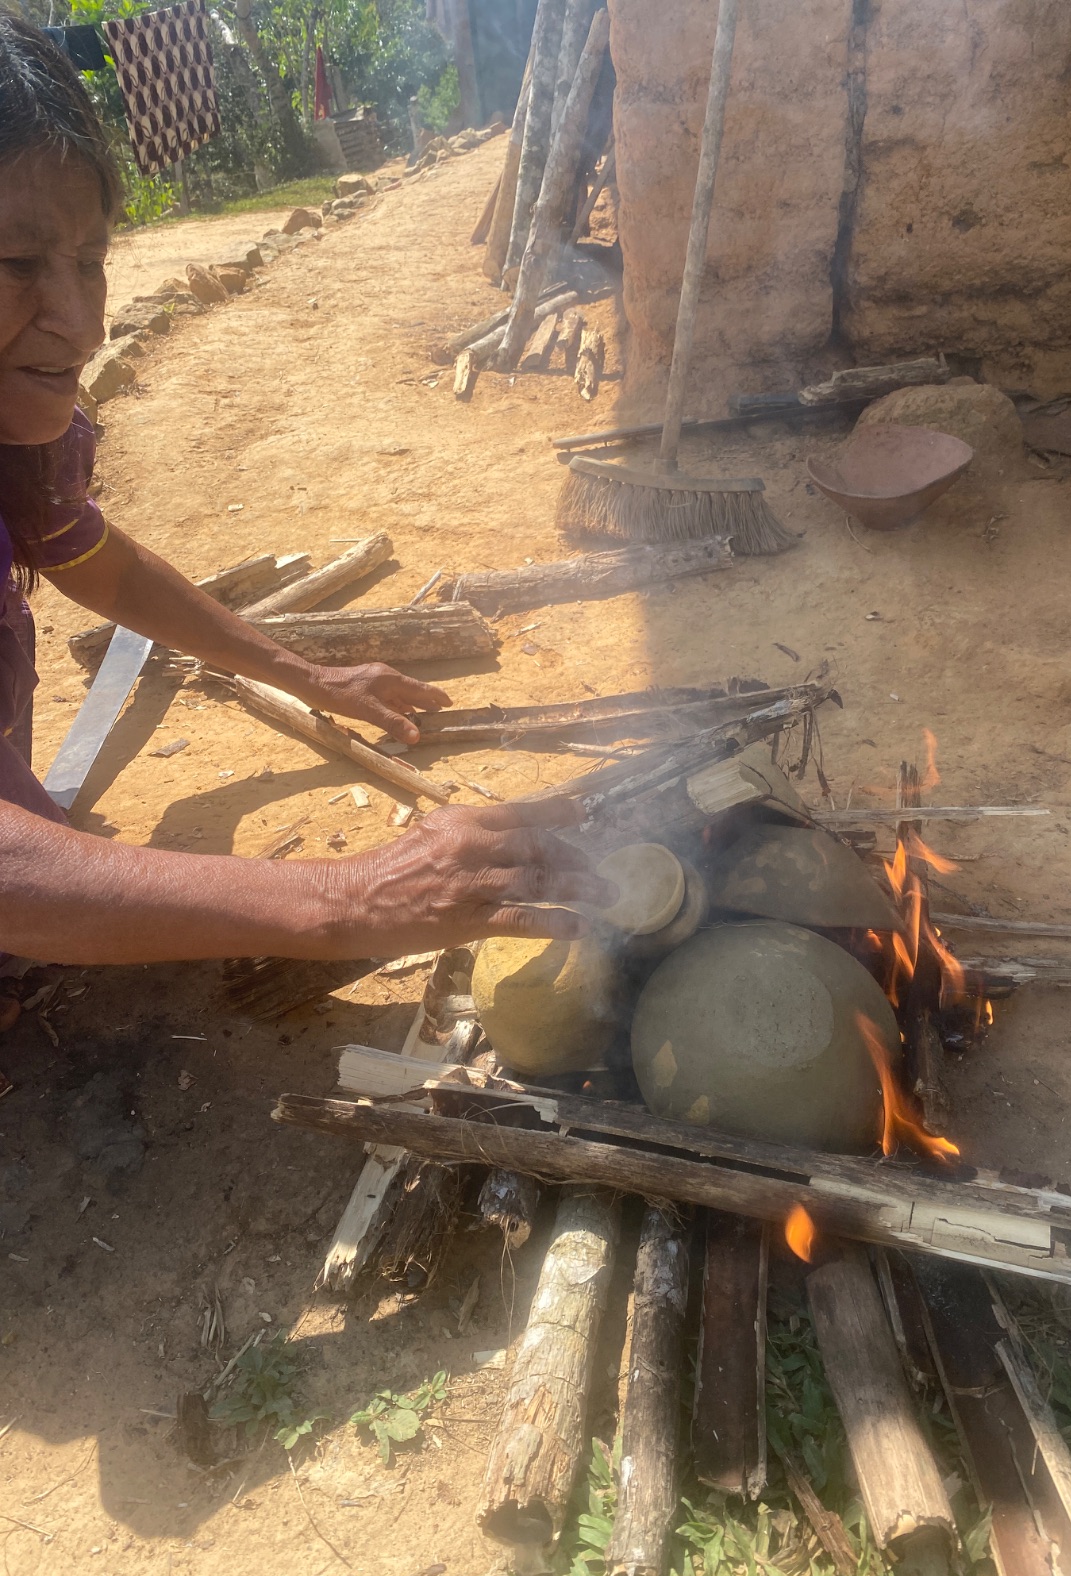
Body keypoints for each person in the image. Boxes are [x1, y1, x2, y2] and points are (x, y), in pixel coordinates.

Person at [0, 13, 614, 982]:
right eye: (17, 265)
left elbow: (96, 562)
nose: (81, 323)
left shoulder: (19, 444)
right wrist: (348, 898)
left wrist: (312, 677)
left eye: (90, 260)